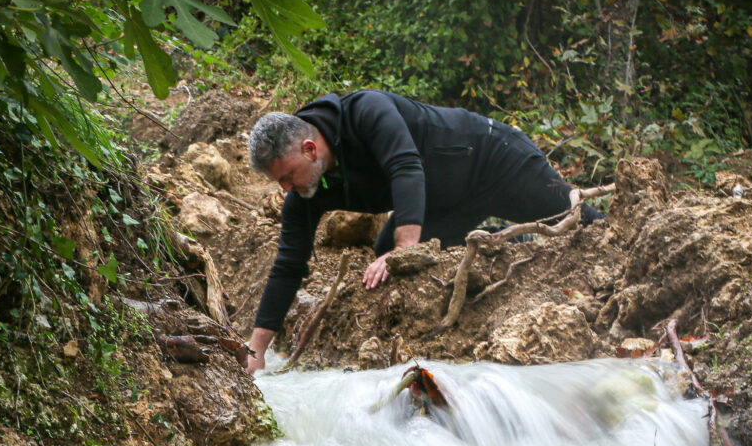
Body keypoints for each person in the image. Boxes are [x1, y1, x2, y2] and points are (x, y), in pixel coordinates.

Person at [244, 89, 602, 373]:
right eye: (280, 182)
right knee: (385, 248)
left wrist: (404, 253)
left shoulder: (366, 111)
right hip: (446, 201)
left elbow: (405, 167)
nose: (286, 189)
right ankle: (504, 241)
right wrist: (256, 349)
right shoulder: (306, 190)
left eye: (287, 176)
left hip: (495, 161)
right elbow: (289, 263)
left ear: (309, 149)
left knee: (587, 226)